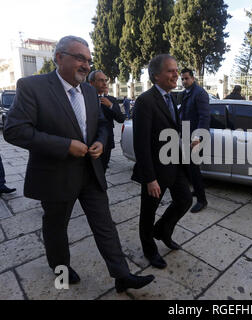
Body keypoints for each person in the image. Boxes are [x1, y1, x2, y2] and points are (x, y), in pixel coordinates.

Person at [3, 35, 154, 293]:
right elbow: (14, 130)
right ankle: (60, 269)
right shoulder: (31, 86)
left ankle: (122, 275)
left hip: (90, 173)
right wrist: (65, 146)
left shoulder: (88, 90)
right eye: (80, 58)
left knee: (105, 224)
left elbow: (103, 125)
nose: (86, 65)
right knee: (56, 227)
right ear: (59, 58)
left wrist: (101, 142)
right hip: (56, 176)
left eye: (88, 60)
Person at [132, 54, 192, 269]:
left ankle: (162, 230)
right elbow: (141, 144)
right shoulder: (145, 101)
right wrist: (149, 179)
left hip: (174, 164)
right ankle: (150, 250)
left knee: (185, 200)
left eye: (176, 70)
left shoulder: (171, 97)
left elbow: (169, 130)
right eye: (171, 71)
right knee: (148, 214)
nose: (176, 74)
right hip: (155, 171)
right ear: (156, 76)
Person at [179, 68, 210, 213]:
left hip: (196, 137)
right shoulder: (186, 93)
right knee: (189, 167)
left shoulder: (200, 93)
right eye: (182, 79)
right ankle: (197, 191)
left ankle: (202, 200)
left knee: (194, 169)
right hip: (186, 135)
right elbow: (183, 114)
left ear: (193, 78)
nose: (184, 81)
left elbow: (204, 117)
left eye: (186, 78)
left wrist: (197, 137)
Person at [89, 70, 125, 172]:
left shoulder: (111, 100)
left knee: (102, 171)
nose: (105, 83)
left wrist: (111, 106)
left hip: (106, 142)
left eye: (106, 80)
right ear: (91, 83)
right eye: (101, 80)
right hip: (88, 142)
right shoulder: (84, 98)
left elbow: (121, 119)